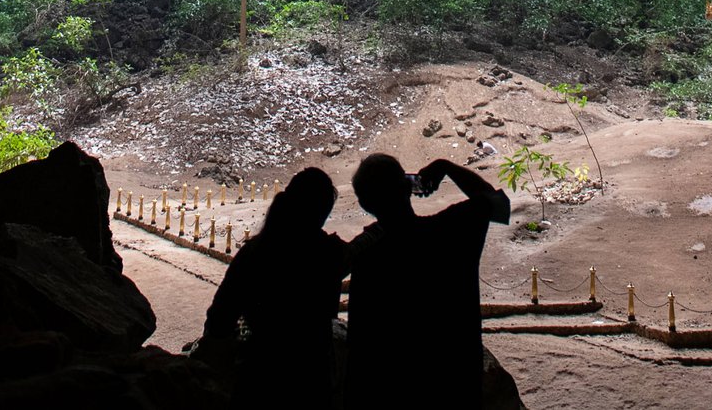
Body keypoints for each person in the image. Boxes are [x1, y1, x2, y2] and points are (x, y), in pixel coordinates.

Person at [343, 153, 510, 410]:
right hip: (455, 386)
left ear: (365, 204)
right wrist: (446, 167)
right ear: (408, 186)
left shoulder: (368, 259)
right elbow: (495, 202)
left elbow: (361, 348)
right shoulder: (448, 231)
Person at [196, 167, 350, 409]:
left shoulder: (255, 253)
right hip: (313, 375)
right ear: (321, 213)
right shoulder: (331, 253)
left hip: (260, 372)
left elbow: (219, 318)